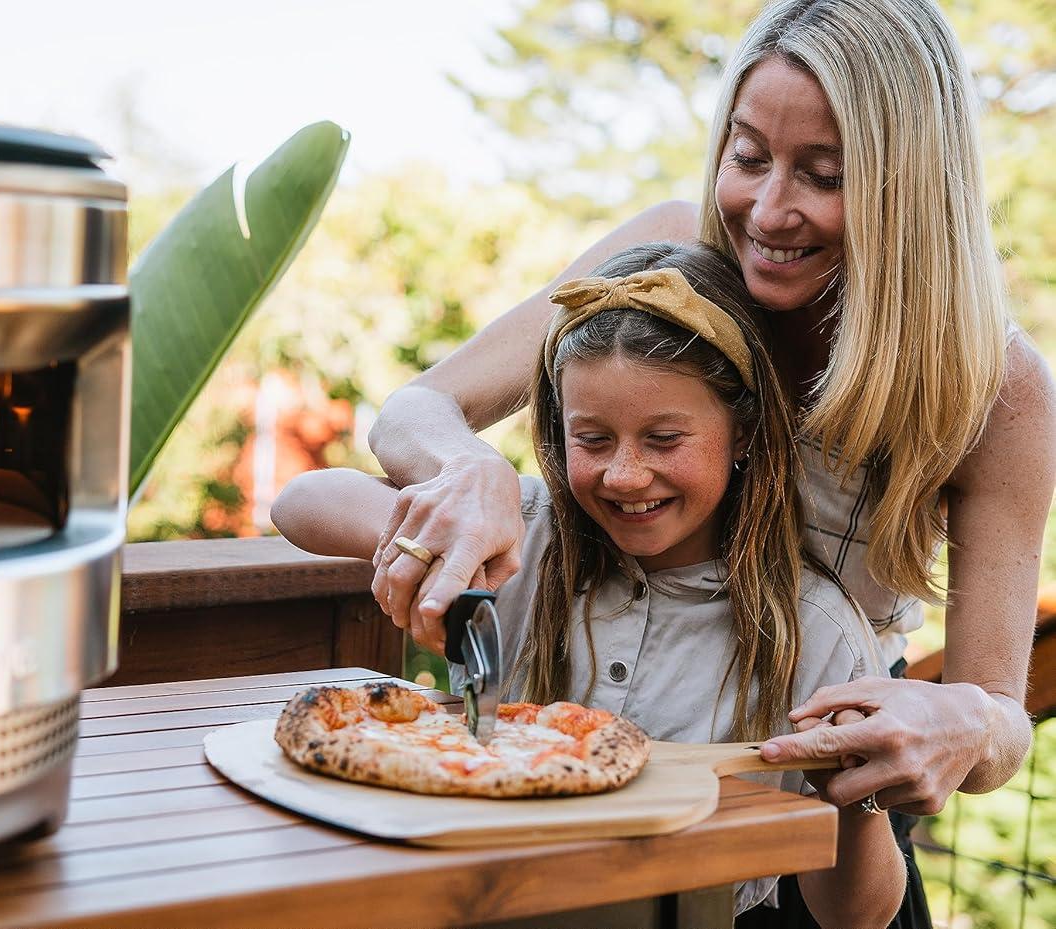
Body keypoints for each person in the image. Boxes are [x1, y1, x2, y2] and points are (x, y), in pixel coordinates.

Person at [366, 0, 1054, 837]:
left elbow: (1002, 719)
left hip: (813, 814)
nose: (768, 211)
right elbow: (413, 409)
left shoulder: (995, 386)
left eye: (825, 175)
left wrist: (972, 722)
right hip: (632, 773)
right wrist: (467, 470)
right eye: (750, 156)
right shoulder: (668, 262)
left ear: (909, 186)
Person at [274, 242, 904, 926]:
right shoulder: (524, 538)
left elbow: (859, 917)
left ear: (743, 431)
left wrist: (853, 794)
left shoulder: (817, 630)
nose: (625, 475)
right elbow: (302, 501)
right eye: (593, 440)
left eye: (664, 439)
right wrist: (445, 543)